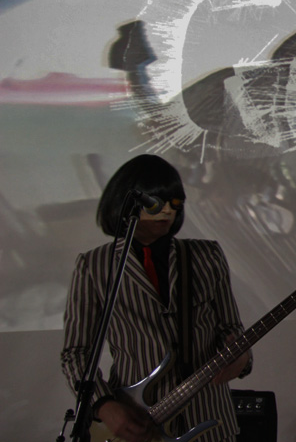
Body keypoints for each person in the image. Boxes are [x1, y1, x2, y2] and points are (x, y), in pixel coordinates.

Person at [61, 154, 252, 442]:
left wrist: (243, 357)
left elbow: (231, 327)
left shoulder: (206, 255)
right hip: (137, 421)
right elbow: (75, 353)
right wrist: (104, 405)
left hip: (209, 419)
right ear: (126, 202)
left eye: (175, 202)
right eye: (156, 202)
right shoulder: (94, 265)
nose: (168, 210)